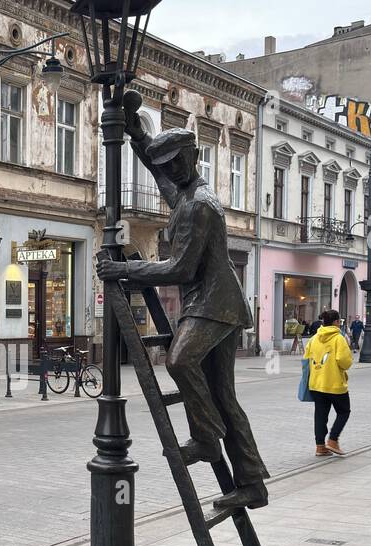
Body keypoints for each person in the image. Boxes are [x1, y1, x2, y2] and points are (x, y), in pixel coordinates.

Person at [97, 90, 269, 511]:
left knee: (178, 360)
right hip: (215, 303)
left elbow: (180, 270)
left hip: (213, 303)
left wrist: (124, 271)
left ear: (191, 157)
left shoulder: (199, 206)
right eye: (166, 164)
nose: (169, 170)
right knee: (225, 396)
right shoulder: (189, 192)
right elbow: (160, 178)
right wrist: (138, 138)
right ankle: (251, 484)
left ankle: (208, 438)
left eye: (175, 162)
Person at [306, 309, 354, 457]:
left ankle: (320, 447)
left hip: (316, 383)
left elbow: (306, 358)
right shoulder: (338, 338)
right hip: (334, 383)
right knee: (344, 411)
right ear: (336, 322)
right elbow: (344, 362)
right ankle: (333, 440)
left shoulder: (314, 338)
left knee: (320, 415)